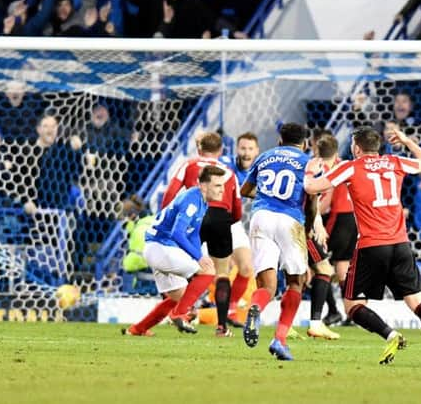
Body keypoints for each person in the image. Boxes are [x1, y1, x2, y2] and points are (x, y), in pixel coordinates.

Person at [304, 126, 421, 366]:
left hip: (371, 246)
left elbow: (312, 188)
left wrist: (309, 171)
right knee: (418, 302)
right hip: (401, 244)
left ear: (356, 147)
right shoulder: (395, 162)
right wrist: (407, 141)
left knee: (353, 306)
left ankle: (390, 334)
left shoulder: (349, 166)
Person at [161, 132, 253, 337]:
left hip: (194, 216)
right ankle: (221, 327)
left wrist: (166, 216)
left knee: (183, 265)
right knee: (221, 273)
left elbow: (171, 192)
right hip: (221, 218)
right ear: (220, 151)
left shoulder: (189, 164)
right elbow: (237, 207)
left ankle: (182, 311)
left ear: (199, 149)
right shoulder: (228, 172)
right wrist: (227, 220)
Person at [240, 123, 319, 361]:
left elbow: (245, 190)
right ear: (304, 143)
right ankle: (280, 339)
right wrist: (308, 229)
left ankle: (256, 309)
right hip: (291, 220)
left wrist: (266, 195)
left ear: (280, 140)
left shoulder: (264, 156)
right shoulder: (309, 163)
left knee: (267, 286)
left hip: (260, 218)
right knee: (296, 282)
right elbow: (313, 201)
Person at [122, 166, 224, 336]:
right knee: (208, 271)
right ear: (204, 186)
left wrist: (200, 255)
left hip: (159, 248)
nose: (222, 190)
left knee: (178, 297)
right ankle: (179, 315)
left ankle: (137, 329)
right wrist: (198, 257)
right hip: (161, 247)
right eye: (217, 185)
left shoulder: (201, 201)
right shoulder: (192, 199)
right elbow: (177, 233)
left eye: (222, 185)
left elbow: (194, 235)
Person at [316, 134, 357, 328]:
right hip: (354, 218)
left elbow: (327, 198)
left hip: (338, 219)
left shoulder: (324, 167)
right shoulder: (347, 165)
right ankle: (351, 312)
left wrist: (314, 214)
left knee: (317, 263)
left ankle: (332, 311)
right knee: (342, 266)